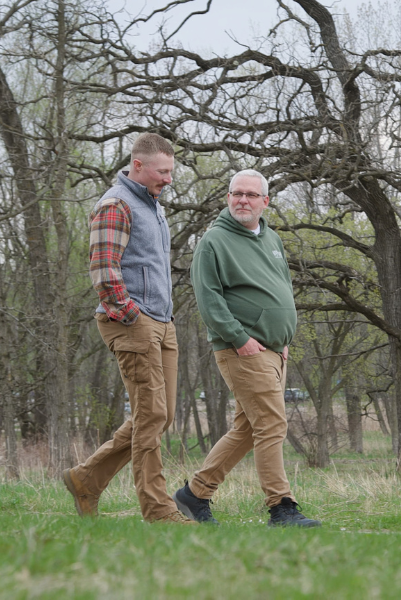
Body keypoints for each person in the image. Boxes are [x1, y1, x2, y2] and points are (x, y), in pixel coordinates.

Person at [173, 169, 321, 528]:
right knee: (272, 424)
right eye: (237, 193)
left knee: (248, 430)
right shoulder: (214, 241)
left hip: (275, 350)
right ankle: (281, 507)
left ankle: (194, 494)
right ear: (228, 198)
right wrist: (240, 339)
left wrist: (283, 339)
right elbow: (208, 299)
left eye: (251, 195)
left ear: (264, 201)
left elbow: (282, 286)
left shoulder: (271, 239)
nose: (243, 200)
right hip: (242, 349)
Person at [62, 133, 193, 525]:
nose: (168, 178)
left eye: (171, 171)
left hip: (162, 322)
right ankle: (158, 510)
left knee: (159, 415)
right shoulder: (116, 203)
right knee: (151, 416)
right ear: (138, 165)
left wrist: (160, 318)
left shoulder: (152, 204)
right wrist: (130, 314)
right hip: (134, 321)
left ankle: (86, 478)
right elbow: (104, 269)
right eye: (162, 171)